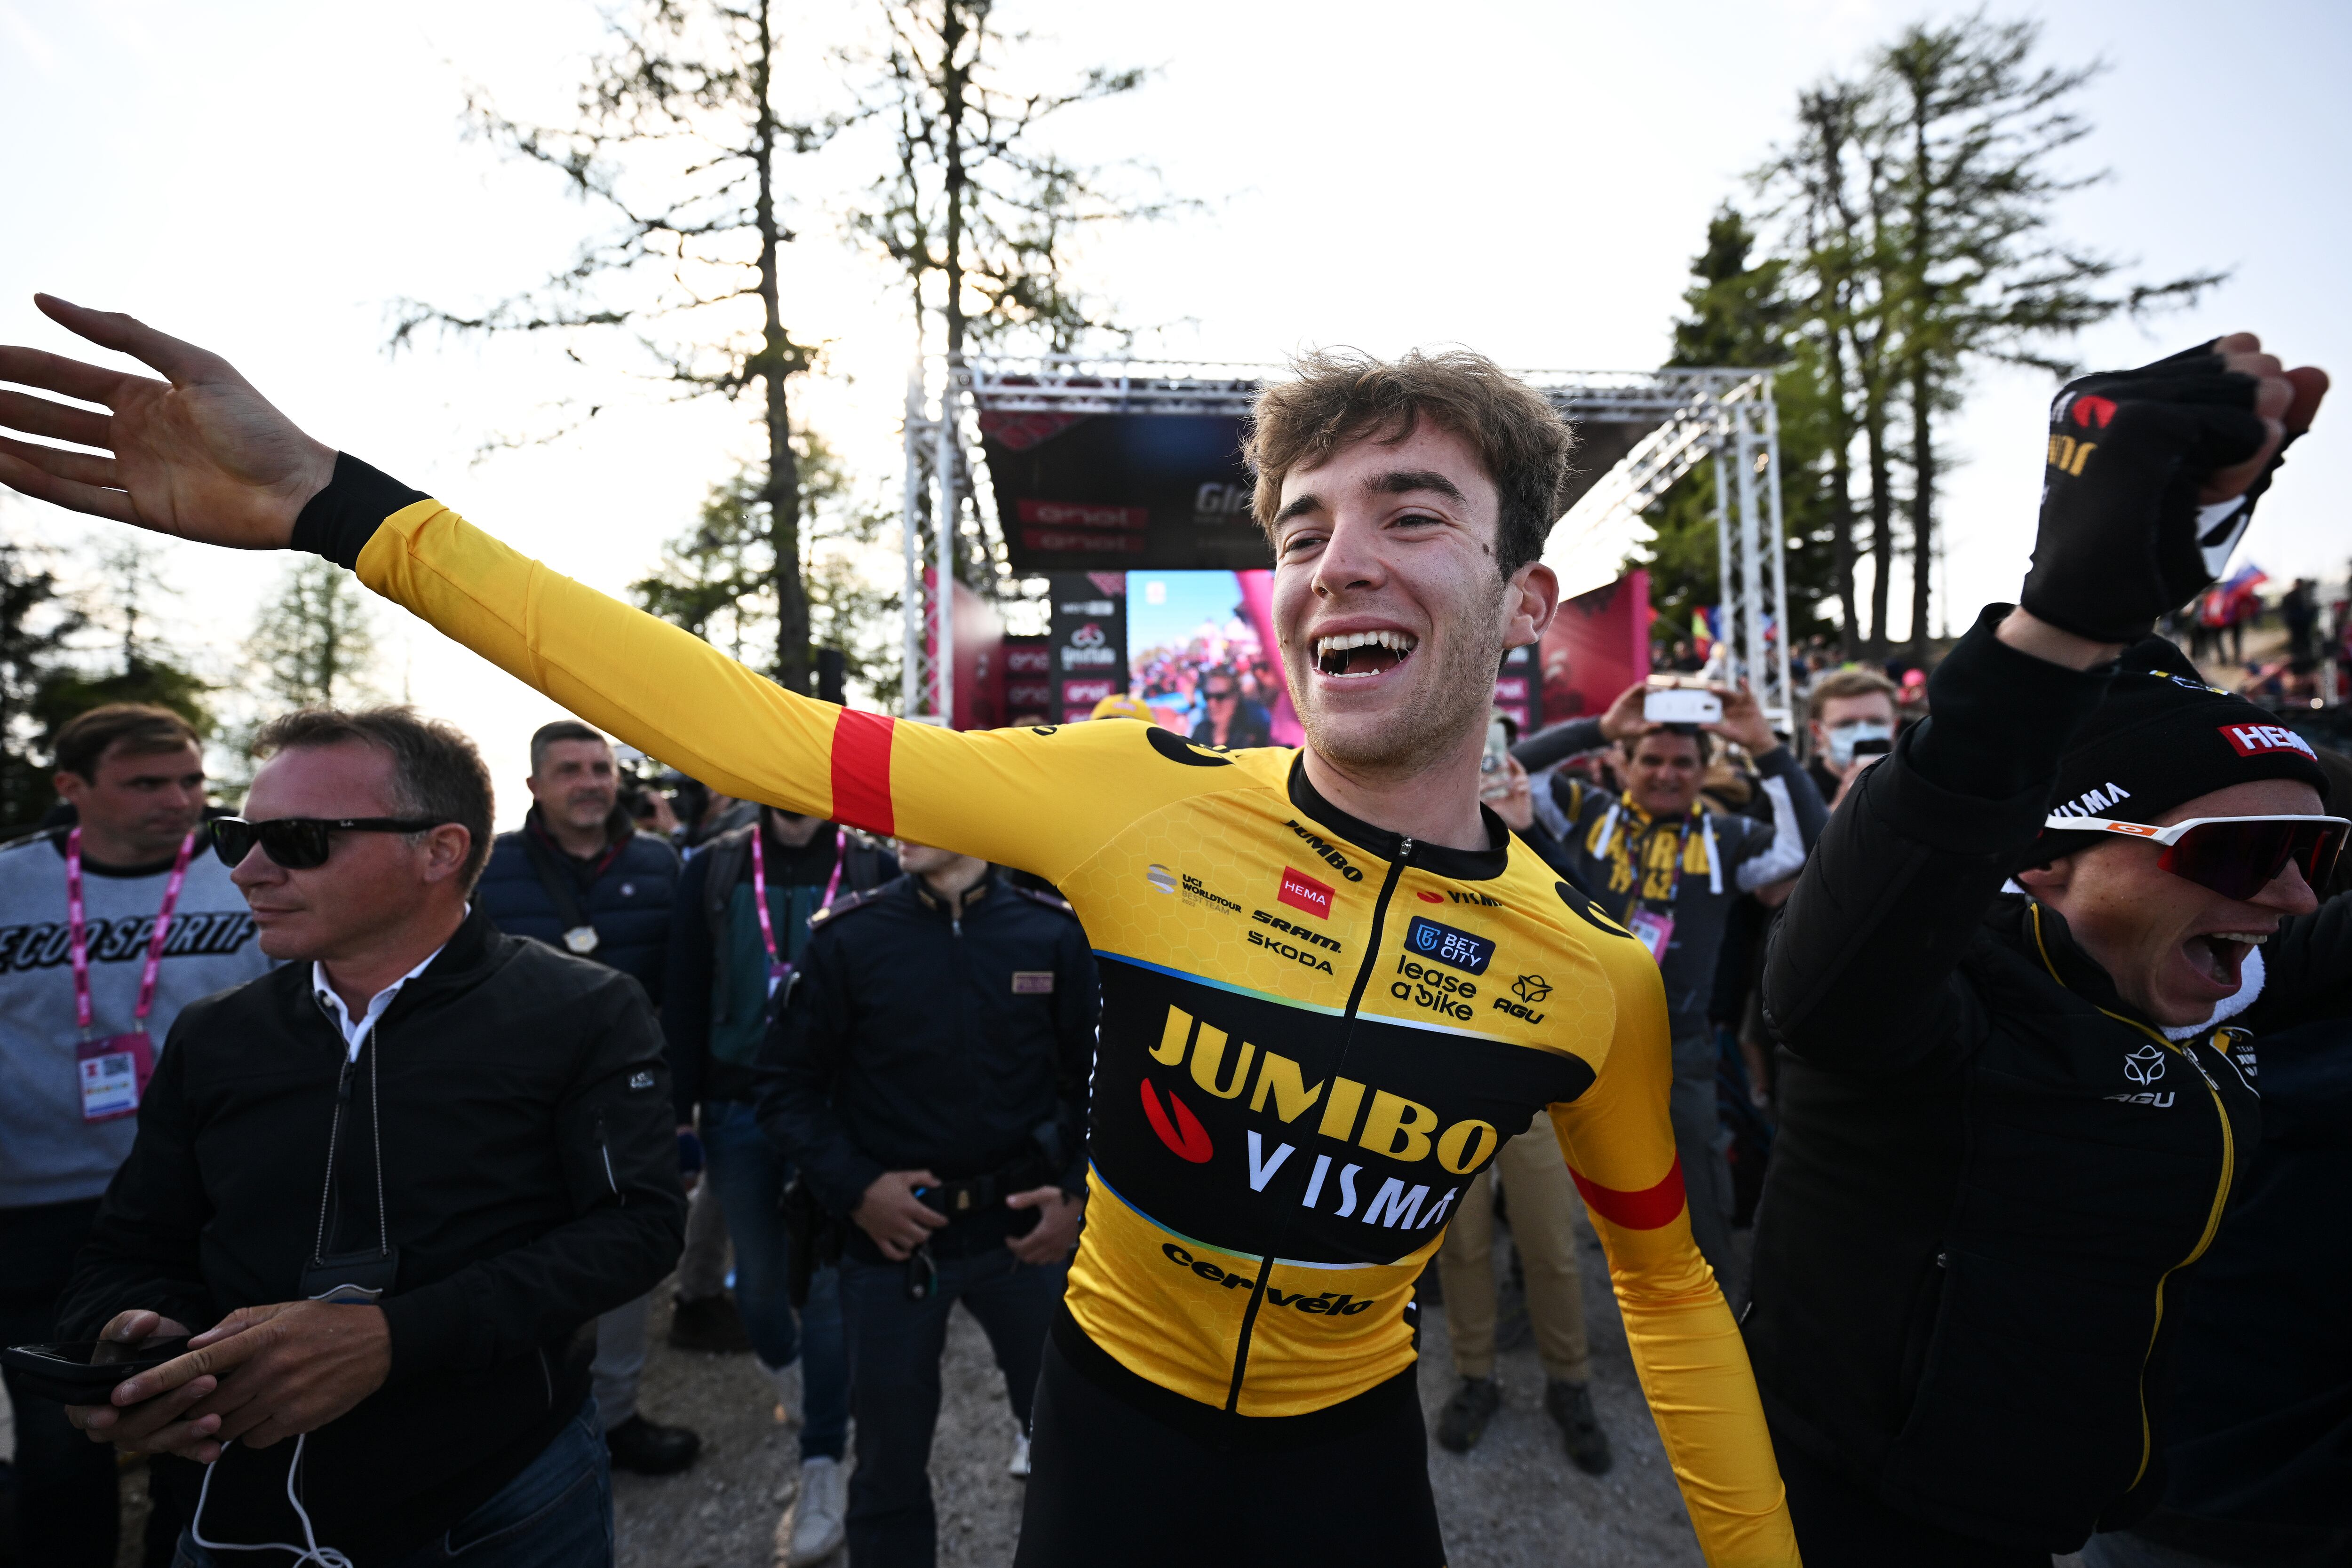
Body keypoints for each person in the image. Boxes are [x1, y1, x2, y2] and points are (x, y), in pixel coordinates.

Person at [0, 310, 1802, 1564]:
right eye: (1304, 527)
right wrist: (342, 509)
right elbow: (739, 729)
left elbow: (1669, 1296)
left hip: (1346, 1459)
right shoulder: (1132, 793)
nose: (1341, 560)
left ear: (1525, 597)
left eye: (1414, 514)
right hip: (1111, 1421)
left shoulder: (1594, 975)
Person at [1748, 336, 2341, 1564]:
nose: (2290, 895)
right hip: (1877, 1521)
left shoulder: (2228, 974)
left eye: (2318, 851)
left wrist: (2191, 536)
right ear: (2041, 857)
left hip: (2099, 1509)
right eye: (2239, 855)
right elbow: (1849, 944)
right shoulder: (1917, 1018)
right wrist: (2059, 618)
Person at [48, 706, 685, 1566]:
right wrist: (131, 1342)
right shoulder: (216, 1032)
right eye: (238, 835)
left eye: (300, 838)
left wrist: (395, 1338)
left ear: (440, 850)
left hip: (501, 1488)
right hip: (247, 1494)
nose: (248, 870)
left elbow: (634, 1227)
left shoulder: (581, 1009)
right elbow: (131, 1242)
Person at [758, 840, 1096, 1567]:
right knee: (887, 1466)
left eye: (923, 805)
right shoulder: (847, 938)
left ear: (971, 813)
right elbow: (784, 1090)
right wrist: (856, 1190)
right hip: (893, 1246)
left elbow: (1100, 1083)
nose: (898, 825)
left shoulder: (1053, 934)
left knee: (1076, 1453)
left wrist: (1076, 1191)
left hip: (1024, 1239)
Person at [0, 704, 273, 1568]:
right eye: (147, 782)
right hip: (35, 1207)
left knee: (199, 1424)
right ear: (71, 787)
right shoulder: (11, 885)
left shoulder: (248, 877)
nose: (179, 799)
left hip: (199, 1200)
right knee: (57, 1439)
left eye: (191, 779)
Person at [2076, 747, 2352, 1568]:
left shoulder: (2123, 1044)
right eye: (2234, 855)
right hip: (2177, 1504)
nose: (2284, 888)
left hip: (2166, 1490)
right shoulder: (2116, 1041)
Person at [1510, 682, 1828, 1295]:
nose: (1665, 773)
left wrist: (1765, 746)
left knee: (1699, 1191)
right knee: (1543, 1189)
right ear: (1623, 765)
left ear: (1705, 769)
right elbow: (1515, 768)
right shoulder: (1586, 810)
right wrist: (1600, 728)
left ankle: (1713, 1311)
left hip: (1676, 1048)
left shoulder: (1728, 837)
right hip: (1571, 1038)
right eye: (1649, 759)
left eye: (1683, 762)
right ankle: (1533, 1299)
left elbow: (1813, 843)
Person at [666, 804, 894, 1564]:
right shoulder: (716, 867)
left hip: (838, 1109)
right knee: (761, 1289)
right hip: (739, 1103)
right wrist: (680, 1112)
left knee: (825, 1290)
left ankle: (823, 1456)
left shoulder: (871, 864)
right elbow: (687, 987)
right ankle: (799, 1382)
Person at [476, 719, 701, 1477]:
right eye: (570, 768)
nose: (590, 781)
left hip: (630, 1104)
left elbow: (686, 984)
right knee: (513, 1256)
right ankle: (517, 1427)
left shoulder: (661, 863)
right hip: (514, 1106)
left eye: (601, 766)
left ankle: (614, 1416)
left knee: (625, 1267)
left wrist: (682, 1097)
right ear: (534, 783)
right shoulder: (489, 867)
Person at [1427, 1112, 1611, 1473]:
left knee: (1550, 1251)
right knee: (1462, 1248)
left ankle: (1568, 1379)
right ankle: (1475, 1375)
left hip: (1537, 1092)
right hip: (1456, 1098)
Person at [1802, 666, 1900, 804]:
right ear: (1817, 731)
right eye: (1846, 724)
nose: (1863, 735)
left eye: (1876, 722)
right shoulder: (1794, 792)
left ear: (1894, 726)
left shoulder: (1918, 783)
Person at [1189, 666, 1272, 749]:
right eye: (1207, 696)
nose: (1211, 703)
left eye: (1220, 697)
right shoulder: (1200, 733)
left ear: (1235, 698)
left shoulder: (1252, 735)